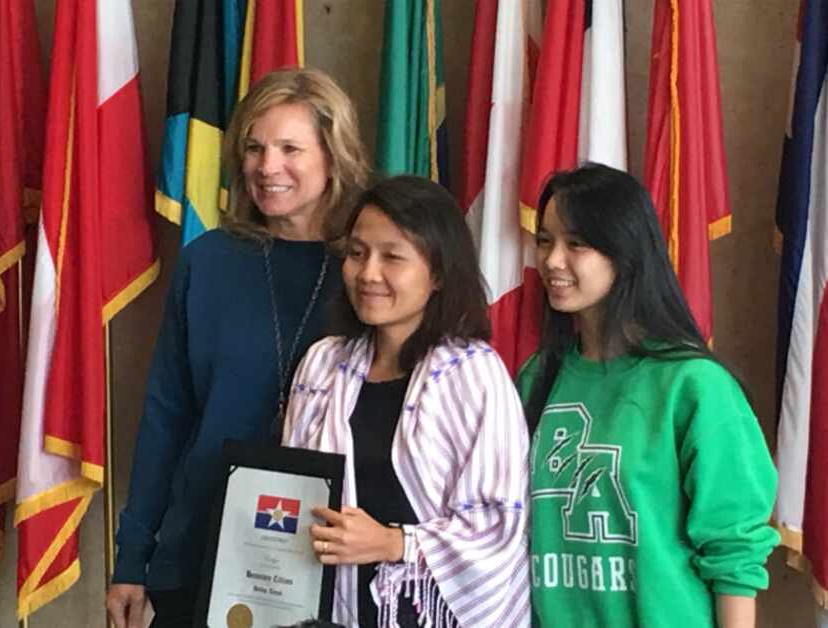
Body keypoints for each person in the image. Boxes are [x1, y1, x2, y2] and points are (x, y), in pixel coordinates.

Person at [106, 67, 370, 628]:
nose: (266, 167)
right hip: (197, 553)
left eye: (289, 148)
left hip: (326, 567)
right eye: (254, 147)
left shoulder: (371, 272)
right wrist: (132, 558)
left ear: (334, 155)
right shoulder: (209, 261)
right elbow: (166, 416)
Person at [519, 163, 779, 628]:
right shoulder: (536, 376)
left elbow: (734, 552)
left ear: (625, 252)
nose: (553, 260)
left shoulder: (694, 385)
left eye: (576, 243)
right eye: (545, 240)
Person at [283, 176, 530, 628]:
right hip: (327, 612)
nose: (368, 273)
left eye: (392, 257)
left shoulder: (473, 374)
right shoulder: (321, 365)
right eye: (357, 254)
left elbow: (500, 524)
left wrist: (393, 543)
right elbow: (291, 494)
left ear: (437, 272)